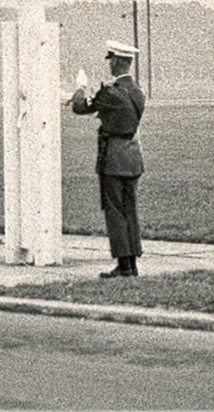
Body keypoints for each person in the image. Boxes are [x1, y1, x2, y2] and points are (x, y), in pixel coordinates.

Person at [72, 41, 146, 277]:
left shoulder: (112, 93)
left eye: (111, 60)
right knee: (130, 209)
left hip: (113, 156)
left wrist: (80, 87)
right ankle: (131, 262)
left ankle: (123, 265)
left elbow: (80, 107)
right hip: (132, 155)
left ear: (116, 62)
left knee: (114, 210)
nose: (110, 64)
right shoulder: (137, 91)